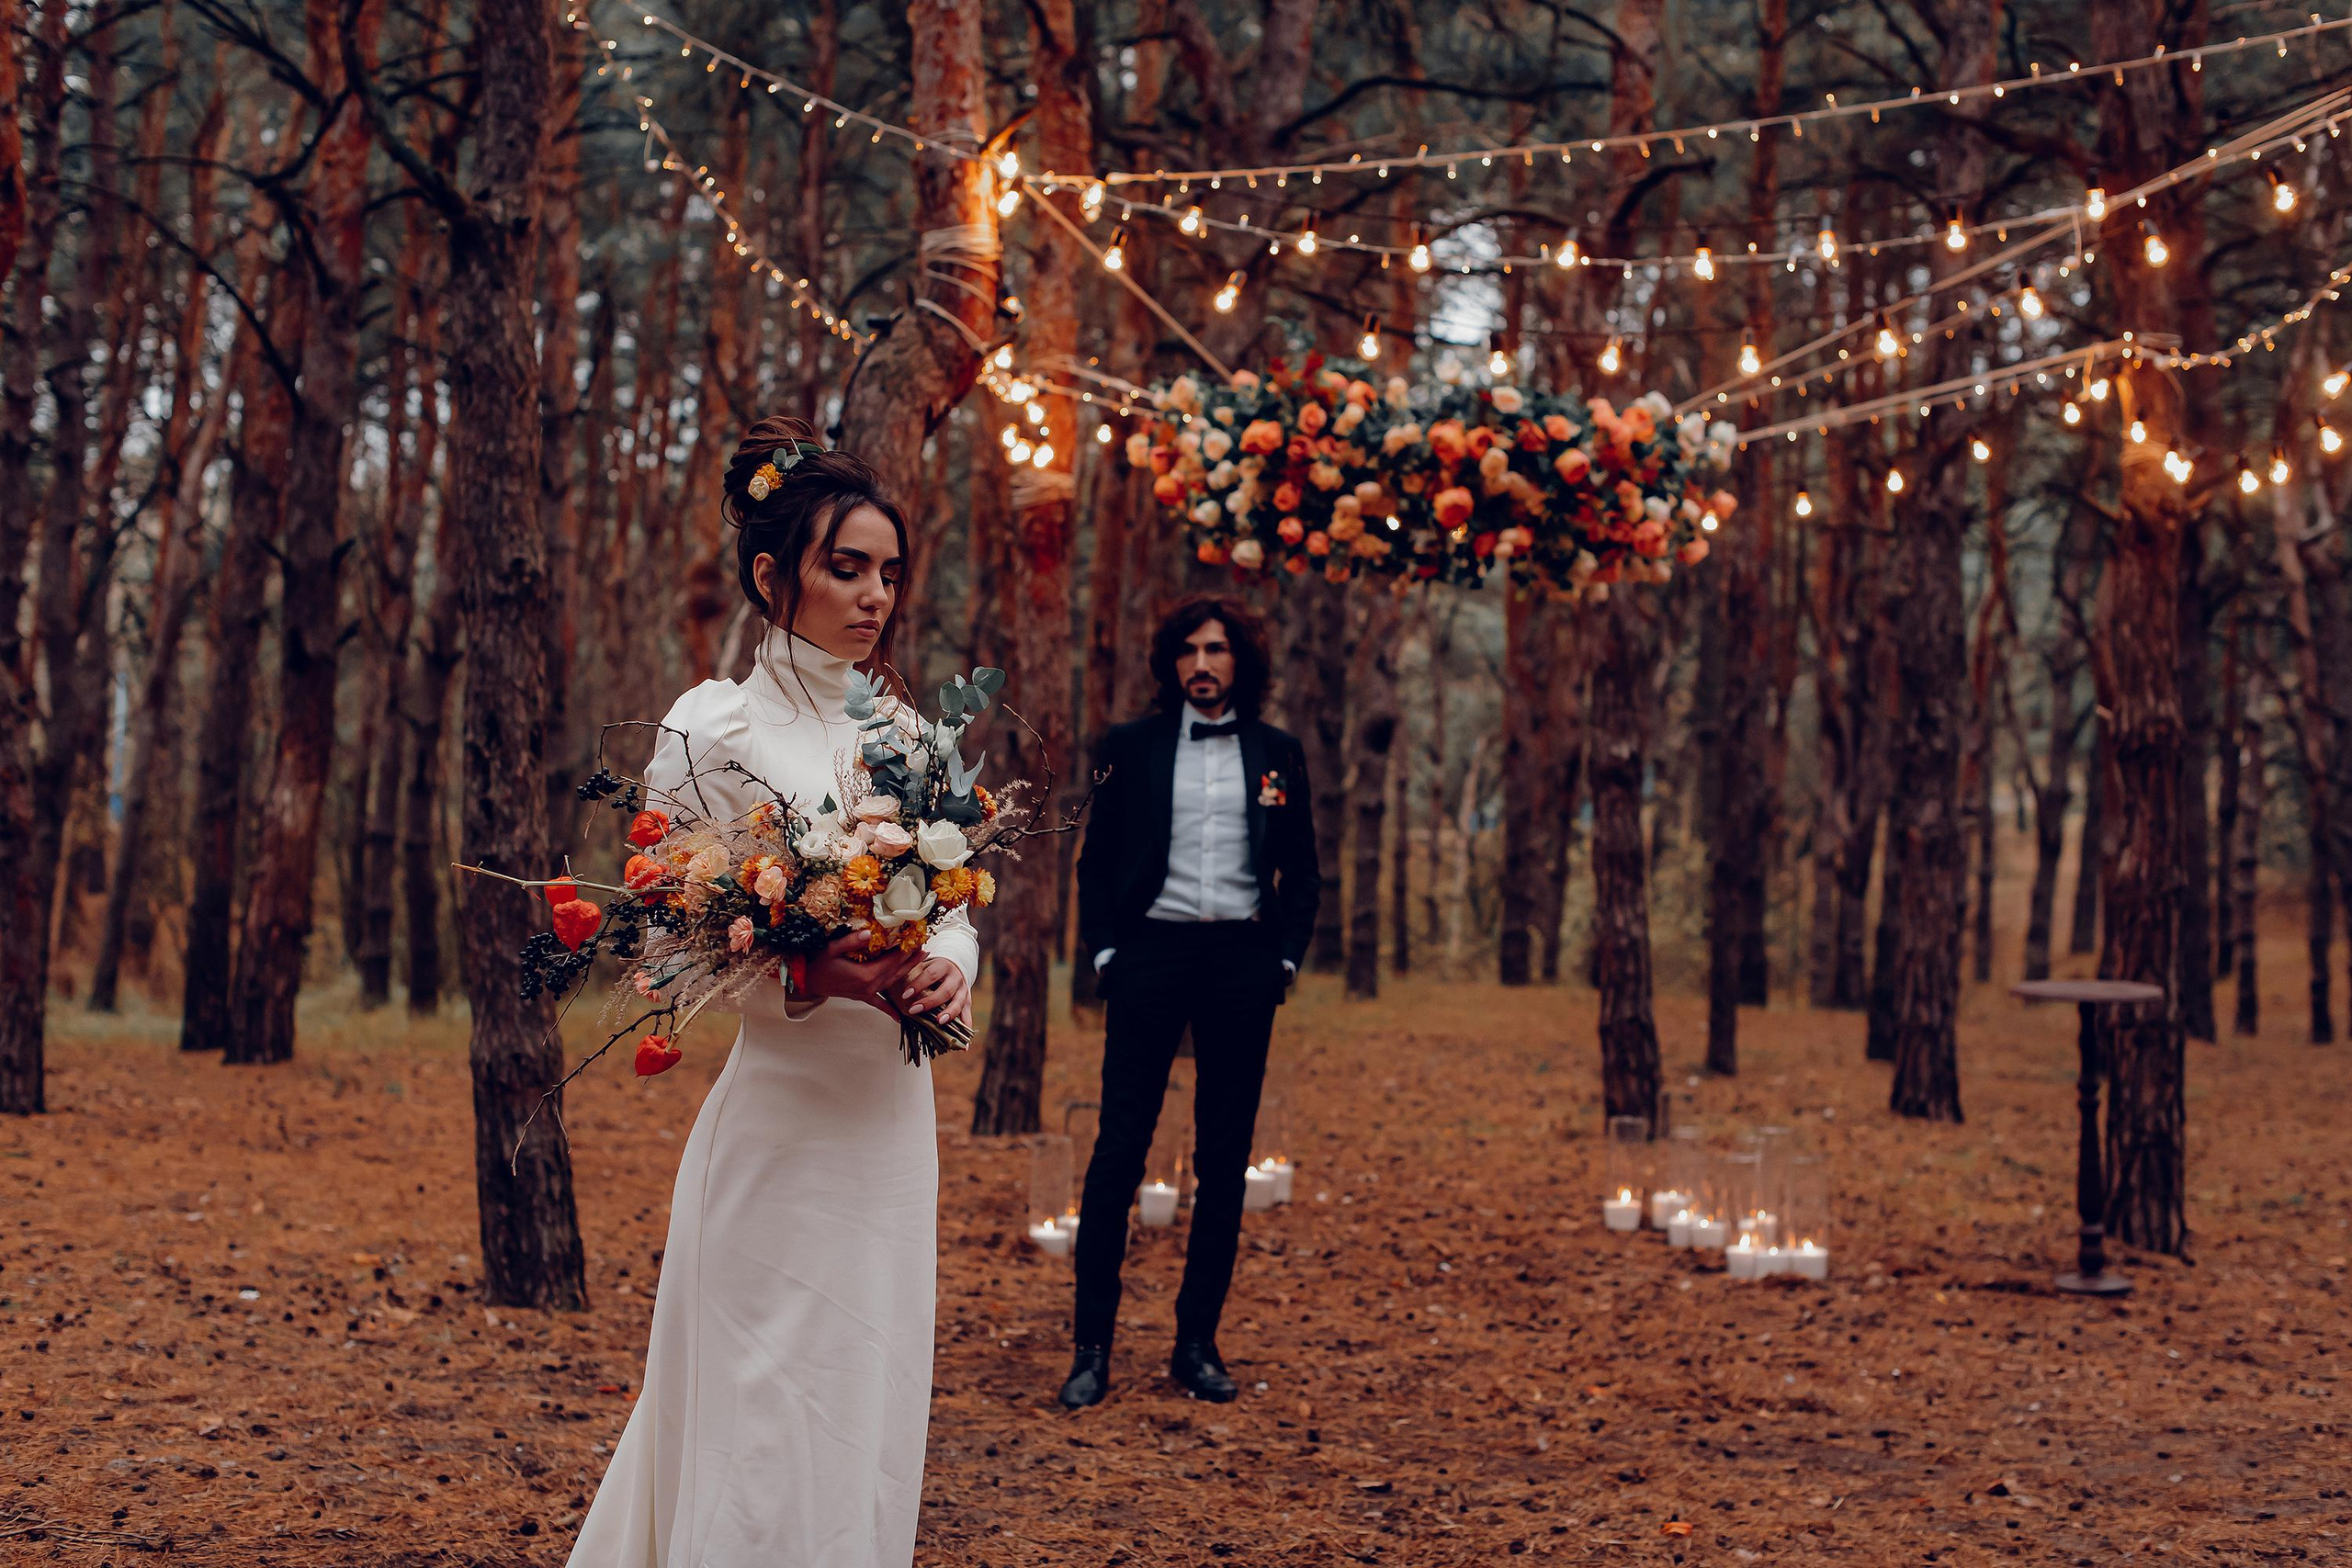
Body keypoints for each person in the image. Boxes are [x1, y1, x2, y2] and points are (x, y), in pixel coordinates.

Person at [569, 417, 974, 1566]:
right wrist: (807, 970)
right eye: (845, 566)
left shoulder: (910, 737)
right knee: (758, 1415)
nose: (873, 595)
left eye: (888, 572)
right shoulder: (713, 726)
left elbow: (955, 906)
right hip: (780, 1128)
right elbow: (664, 928)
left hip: (888, 1132)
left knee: (865, 1406)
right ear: (770, 574)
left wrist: (953, 966)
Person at [1060, 597, 1320, 1407]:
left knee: (1223, 1162)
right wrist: (1108, 952)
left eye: (1216, 650)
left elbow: (1305, 870)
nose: (1201, 664)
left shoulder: (1278, 752)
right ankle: (1091, 1348)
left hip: (1242, 959)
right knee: (1118, 1154)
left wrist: (1281, 957)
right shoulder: (1131, 747)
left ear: (1241, 659)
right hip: (1150, 954)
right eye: (1187, 651)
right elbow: (1096, 862)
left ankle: (1196, 1344)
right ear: (1169, 664)